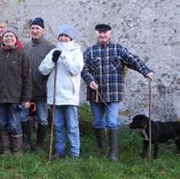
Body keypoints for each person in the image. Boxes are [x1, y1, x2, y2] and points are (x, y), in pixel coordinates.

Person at [81, 23, 154, 161]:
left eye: (105, 32)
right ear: (96, 34)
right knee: (97, 123)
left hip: (113, 94)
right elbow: (83, 69)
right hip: (95, 94)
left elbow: (133, 60)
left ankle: (113, 154)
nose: (102, 35)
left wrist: (146, 71)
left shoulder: (118, 49)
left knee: (112, 122)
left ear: (110, 33)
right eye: (100, 32)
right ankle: (102, 150)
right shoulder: (89, 52)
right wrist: (90, 80)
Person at [0, 26, 32, 154]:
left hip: (15, 98)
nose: (9, 38)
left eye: (11, 36)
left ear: (16, 39)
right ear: (2, 39)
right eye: (6, 36)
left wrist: (26, 98)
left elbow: (27, 78)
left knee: (15, 125)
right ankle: (6, 150)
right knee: (3, 124)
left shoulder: (21, 55)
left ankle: (17, 151)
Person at [39, 25, 84, 159]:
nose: (63, 38)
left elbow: (76, 70)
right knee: (58, 125)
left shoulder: (76, 52)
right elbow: (42, 69)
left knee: (72, 126)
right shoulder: (54, 51)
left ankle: (75, 153)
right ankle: (60, 150)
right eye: (61, 36)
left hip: (70, 95)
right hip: (55, 94)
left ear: (71, 37)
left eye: (66, 36)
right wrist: (53, 61)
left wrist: (64, 57)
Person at [23, 17, 55, 150]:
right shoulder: (25, 47)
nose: (35, 31)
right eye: (33, 28)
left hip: (42, 90)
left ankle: (40, 144)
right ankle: (27, 142)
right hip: (27, 91)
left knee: (42, 118)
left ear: (43, 30)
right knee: (23, 117)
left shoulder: (50, 47)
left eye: (37, 28)